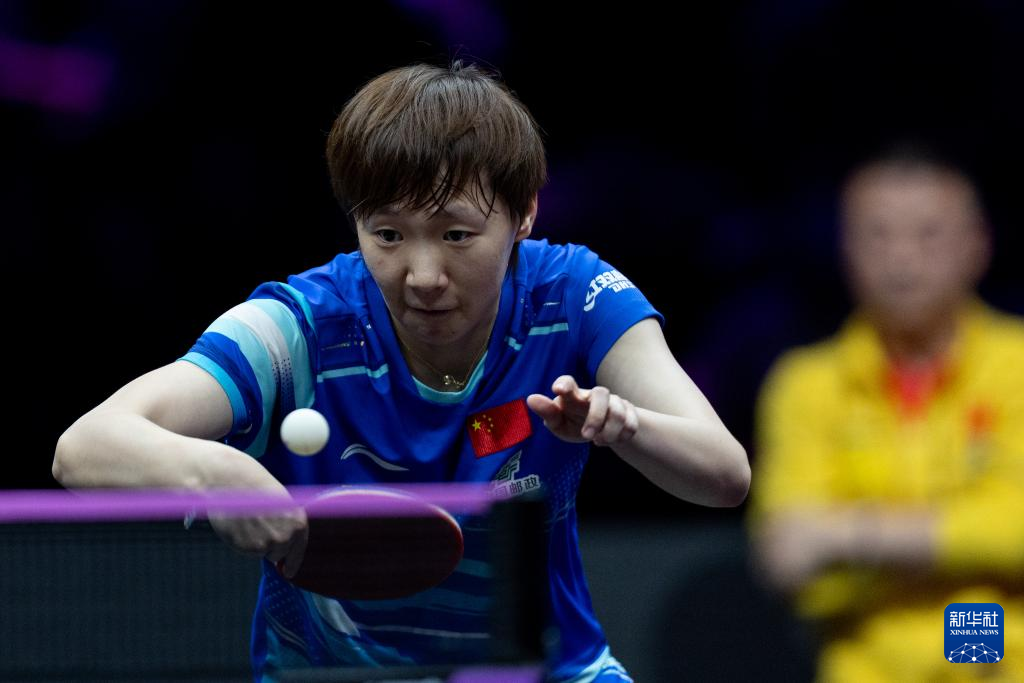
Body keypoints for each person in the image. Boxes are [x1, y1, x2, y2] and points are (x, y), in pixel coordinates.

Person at [53, 61, 749, 682]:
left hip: (544, 668)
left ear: (525, 212)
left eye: (456, 234)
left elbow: (725, 474)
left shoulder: (573, 297)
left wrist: (625, 426)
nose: (422, 275)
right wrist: (213, 473)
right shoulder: (300, 327)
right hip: (329, 677)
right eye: (387, 234)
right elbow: (83, 447)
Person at [748, 144, 1024, 681]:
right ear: (845, 248)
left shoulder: (1018, 366)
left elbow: (1018, 533)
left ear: (978, 245)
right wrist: (969, 546)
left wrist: (849, 533)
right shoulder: (807, 385)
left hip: (998, 664)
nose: (902, 259)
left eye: (928, 234)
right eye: (878, 235)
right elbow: (789, 562)